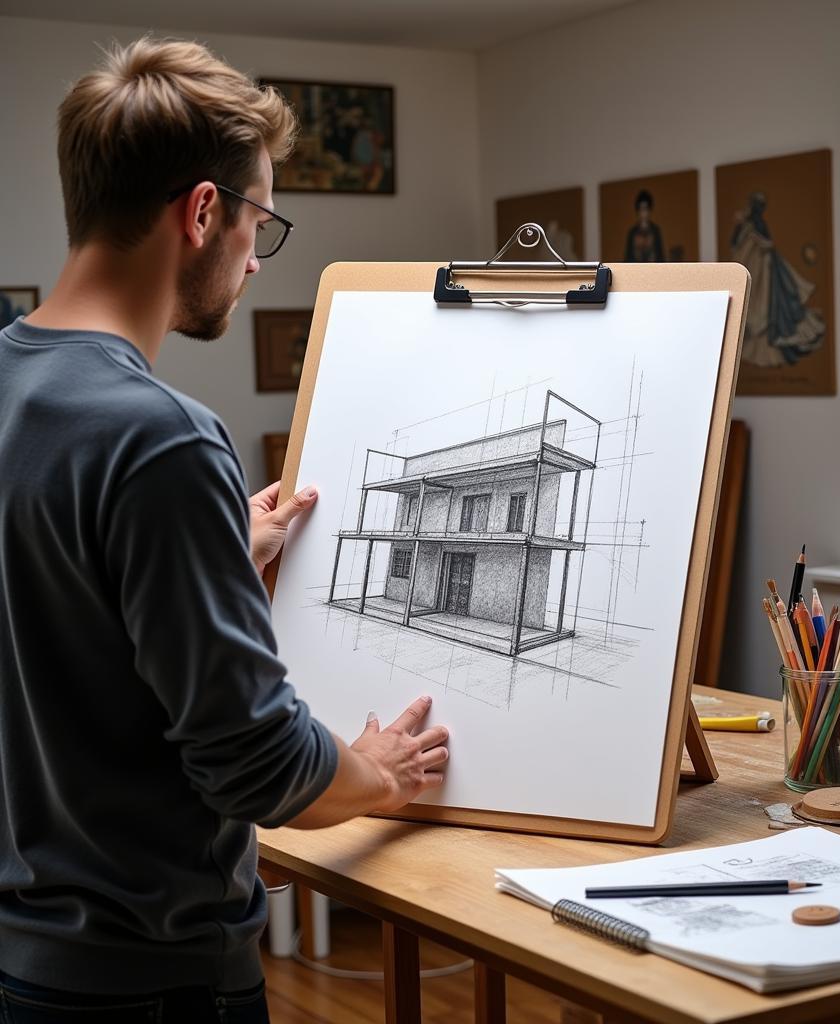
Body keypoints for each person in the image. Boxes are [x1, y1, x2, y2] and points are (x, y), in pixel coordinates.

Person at [0, 37, 449, 1022]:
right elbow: (255, 761)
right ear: (203, 211)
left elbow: (57, 615)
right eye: (261, 221)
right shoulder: (162, 441)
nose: (254, 253)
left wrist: (214, 559)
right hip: (150, 984)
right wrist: (375, 769)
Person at [729, 191, 826, 368]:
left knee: (766, 307)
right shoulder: (747, 226)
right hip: (754, 272)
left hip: (763, 275)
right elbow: (736, 245)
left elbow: (766, 244)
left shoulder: (756, 225)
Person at [623, 189, 665, 262]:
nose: (643, 212)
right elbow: (628, 257)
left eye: (645, 208)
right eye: (641, 209)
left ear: (649, 210)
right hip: (635, 269)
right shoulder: (632, 233)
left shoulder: (655, 231)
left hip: (653, 269)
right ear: (638, 211)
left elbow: (660, 256)